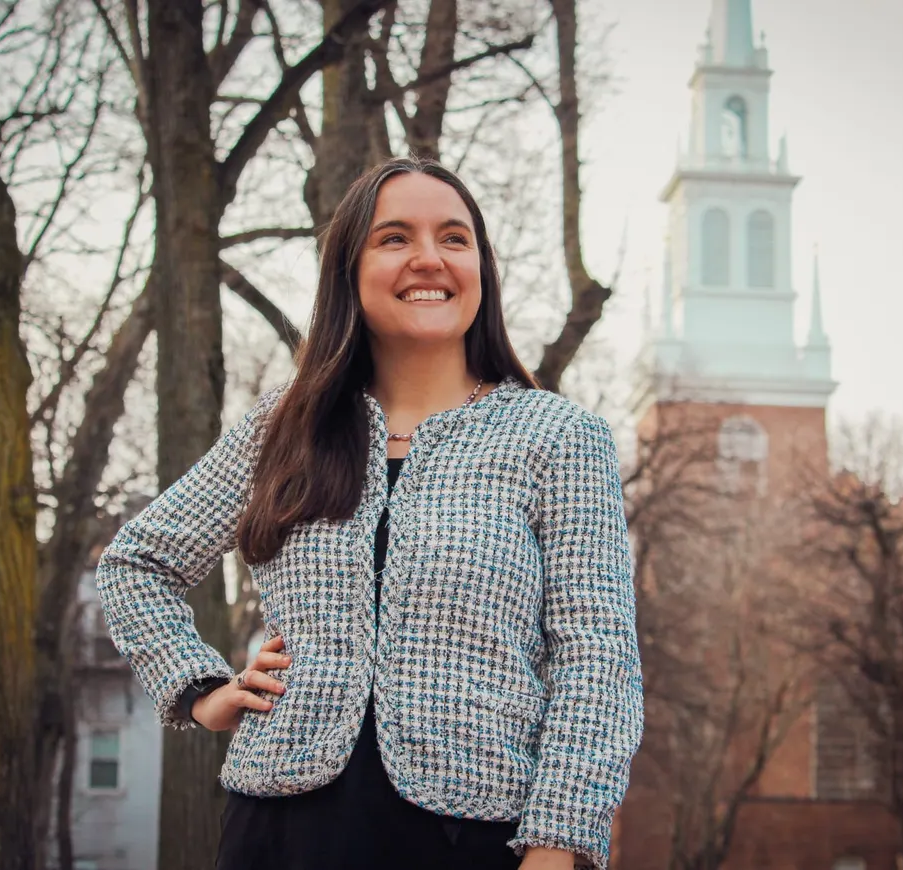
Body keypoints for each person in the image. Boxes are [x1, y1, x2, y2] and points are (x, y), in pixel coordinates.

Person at [95, 155, 643, 870]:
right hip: (281, 829)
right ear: (349, 270)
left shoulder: (559, 437)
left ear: (481, 267)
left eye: (454, 238)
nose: (428, 258)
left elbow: (596, 657)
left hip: (476, 836)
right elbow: (136, 564)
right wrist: (202, 689)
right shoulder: (282, 430)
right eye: (395, 238)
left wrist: (559, 841)